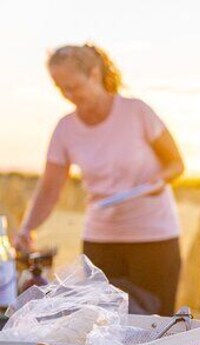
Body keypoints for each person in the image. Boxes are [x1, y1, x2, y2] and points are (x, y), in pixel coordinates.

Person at [14, 44, 184, 316]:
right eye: (61, 89)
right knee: (101, 326)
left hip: (154, 239)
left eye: (73, 87)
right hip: (101, 242)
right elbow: (50, 188)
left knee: (157, 327)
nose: (69, 96)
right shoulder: (65, 128)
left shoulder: (137, 112)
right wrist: (27, 228)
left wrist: (157, 181)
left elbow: (176, 164)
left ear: (94, 74)